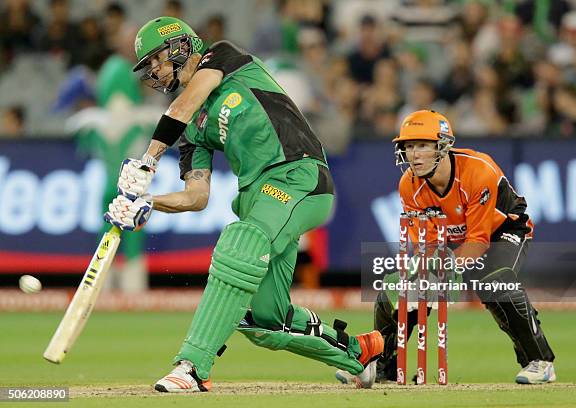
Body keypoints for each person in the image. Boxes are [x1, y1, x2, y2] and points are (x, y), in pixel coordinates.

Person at [102, 16, 383, 392]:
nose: (154, 69)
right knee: (267, 322)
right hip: (259, 198)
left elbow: (184, 105)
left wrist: (148, 159)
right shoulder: (190, 129)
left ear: (181, 45)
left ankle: (192, 366)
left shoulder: (222, 56)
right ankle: (359, 354)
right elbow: (196, 196)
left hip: (297, 176)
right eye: (147, 66)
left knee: (240, 242)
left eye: (156, 58)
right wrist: (149, 202)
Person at [338, 110, 556, 385]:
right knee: (395, 290)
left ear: (442, 146)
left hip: (503, 231)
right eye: (408, 146)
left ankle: (540, 361)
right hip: (453, 240)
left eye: (422, 145)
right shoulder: (409, 185)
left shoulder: (478, 170)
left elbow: (478, 241)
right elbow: (426, 246)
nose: (413, 154)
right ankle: (383, 368)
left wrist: (443, 269)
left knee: (494, 283)